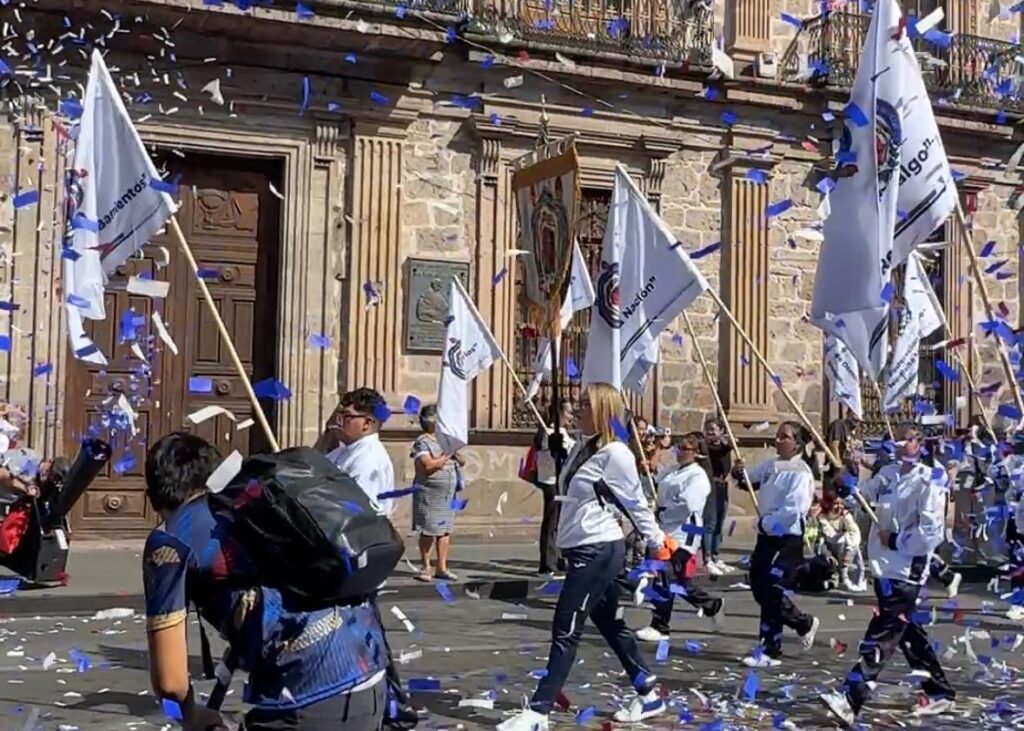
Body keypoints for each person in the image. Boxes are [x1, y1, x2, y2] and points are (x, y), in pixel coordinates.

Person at [142, 433, 388, 731]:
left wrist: (190, 715)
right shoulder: (251, 505)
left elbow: (170, 683)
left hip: (305, 699)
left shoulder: (170, 541)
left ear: (152, 494)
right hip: (371, 677)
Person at [497, 383, 676, 730]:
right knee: (609, 622)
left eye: (584, 404)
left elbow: (636, 502)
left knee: (566, 626)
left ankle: (538, 711)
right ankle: (647, 690)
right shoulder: (584, 446)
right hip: (581, 546)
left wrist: (657, 543)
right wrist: (552, 452)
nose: (577, 409)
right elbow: (559, 487)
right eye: (578, 404)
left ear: (604, 410)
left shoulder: (616, 454)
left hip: (598, 549)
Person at [821, 422, 956, 726]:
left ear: (919, 444)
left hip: (907, 569)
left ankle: (851, 698)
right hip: (883, 566)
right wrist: (846, 483)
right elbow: (862, 496)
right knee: (906, 632)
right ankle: (939, 691)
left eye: (906, 440)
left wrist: (895, 540)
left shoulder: (928, 482)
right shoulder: (889, 474)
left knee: (882, 632)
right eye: (895, 440)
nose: (899, 445)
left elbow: (930, 533)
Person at [732, 421, 820, 668]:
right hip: (767, 535)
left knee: (772, 587)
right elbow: (749, 479)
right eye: (778, 435)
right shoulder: (772, 465)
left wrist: (767, 524)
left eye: (785, 436)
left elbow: (792, 510)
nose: (778, 439)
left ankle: (770, 647)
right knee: (759, 584)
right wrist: (739, 471)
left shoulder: (801, 473)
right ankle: (802, 622)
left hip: (786, 536)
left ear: (797, 443)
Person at [636, 432, 725, 642]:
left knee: (664, 574)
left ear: (695, 453)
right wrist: (646, 467)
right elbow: (658, 481)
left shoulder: (698, 476)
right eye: (677, 447)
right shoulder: (674, 470)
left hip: (687, 531)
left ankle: (660, 626)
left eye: (683, 448)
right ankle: (711, 604)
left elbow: (688, 505)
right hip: (667, 528)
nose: (678, 452)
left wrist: (665, 513)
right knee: (675, 579)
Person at [410, 404, 464, 582]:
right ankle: (426, 566)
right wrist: (446, 456)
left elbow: (462, 461)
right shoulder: (422, 441)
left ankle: (442, 567)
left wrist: (454, 450)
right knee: (428, 530)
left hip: (447, 494)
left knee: (444, 531)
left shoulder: (445, 440)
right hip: (428, 494)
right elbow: (428, 465)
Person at [325, 388, 395, 517]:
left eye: (347, 417)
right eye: (339, 415)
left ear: (366, 423)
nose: (339, 422)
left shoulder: (369, 458)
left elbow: (360, 510)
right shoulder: (343, 450)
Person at [533, 401, 576, 576]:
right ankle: (547, 563)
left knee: (560, 521)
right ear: (559, 413)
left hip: (561, 482)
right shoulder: (547, 431)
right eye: (569, 412)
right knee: (551, 522)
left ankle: (558, 558)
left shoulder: (564, 432)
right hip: (551, 481)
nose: (571, 416)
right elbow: (547, 449)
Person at [811, 479, 865, 592]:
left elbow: (854, 532)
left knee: (851, 543)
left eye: (840, 504)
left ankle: (849, 576)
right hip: (826, 550)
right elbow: (829, 536)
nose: (839, 507)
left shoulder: (845, 515)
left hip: (845, 551)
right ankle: (834, 575)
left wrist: (850, 551)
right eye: (835, 504)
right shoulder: (821, 517)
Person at [702, 417, 734, 575]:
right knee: (710, 522)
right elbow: (719, 450)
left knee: (720, 521)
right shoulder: (705, 447)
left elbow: (728, 446)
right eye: (707, 429)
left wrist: (727, 439)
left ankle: (715, 555)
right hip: (711, 486)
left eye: (713, 429)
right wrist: (715, 438)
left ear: (721, 431)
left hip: (723, 485)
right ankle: (707, 558)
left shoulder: (724, 445)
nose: (709, 432)